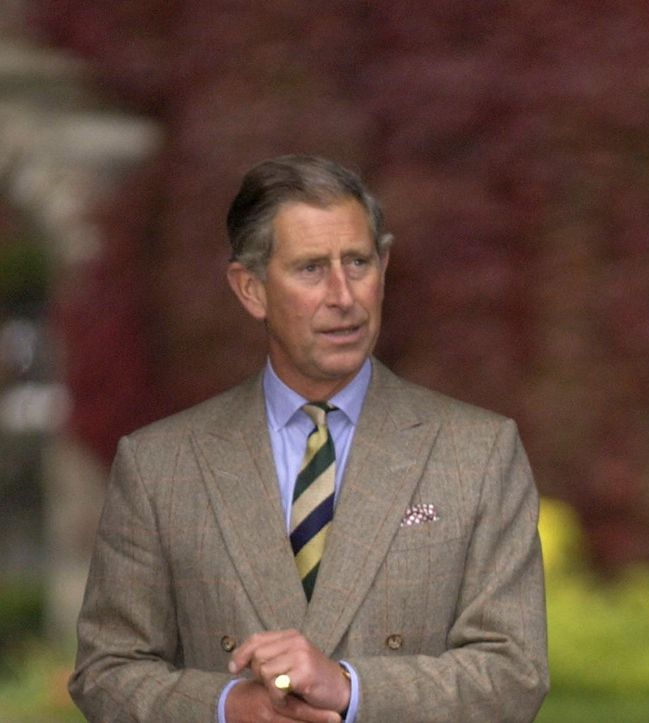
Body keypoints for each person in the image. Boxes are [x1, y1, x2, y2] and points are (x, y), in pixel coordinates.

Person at [69, 155, 548, 722]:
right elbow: (107, 673)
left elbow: (514, 672)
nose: (344, 296)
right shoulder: (159, 466)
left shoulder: (479, 453)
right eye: (311, 269)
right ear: (251, 290)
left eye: (358, 263)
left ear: (385, 268)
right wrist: (227, 708)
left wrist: (349, 689)